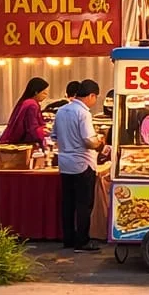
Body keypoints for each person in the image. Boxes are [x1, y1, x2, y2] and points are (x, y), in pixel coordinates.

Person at [52, 79, 104, 252]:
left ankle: (68, 239)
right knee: (83, 204)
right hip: (82, 163)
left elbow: (54, 136)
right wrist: (100, 141)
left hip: (65, 162)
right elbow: (89, 141)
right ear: (91, 95)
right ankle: (82, 241)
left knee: (68, 203)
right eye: (95, 97)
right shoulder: (83, 113)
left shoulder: (61, 111)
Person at [0, 77, 51, 147]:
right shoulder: (32, 105)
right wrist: (46, 131)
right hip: (21, 144)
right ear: (36, 92)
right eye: (44, 93)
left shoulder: (26, 102)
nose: (45, 96)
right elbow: (32, 129)